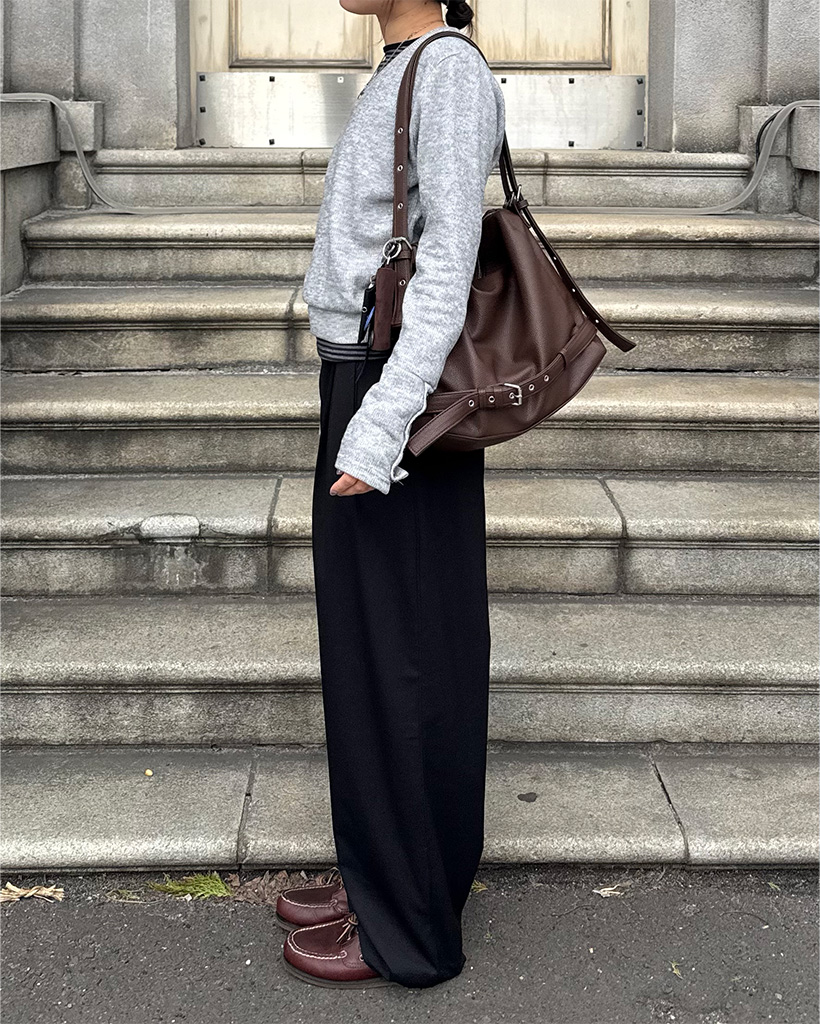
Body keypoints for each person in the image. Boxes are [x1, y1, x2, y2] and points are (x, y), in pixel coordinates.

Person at [276, 0, 506, 989]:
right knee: (378, 650)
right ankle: (385, 877)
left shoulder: (445, 68)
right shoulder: (406, 62)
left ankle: (407, 930)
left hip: (394, 396)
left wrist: (381, 423)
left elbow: (448, 257)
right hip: (371, 380)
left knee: (404, 658)